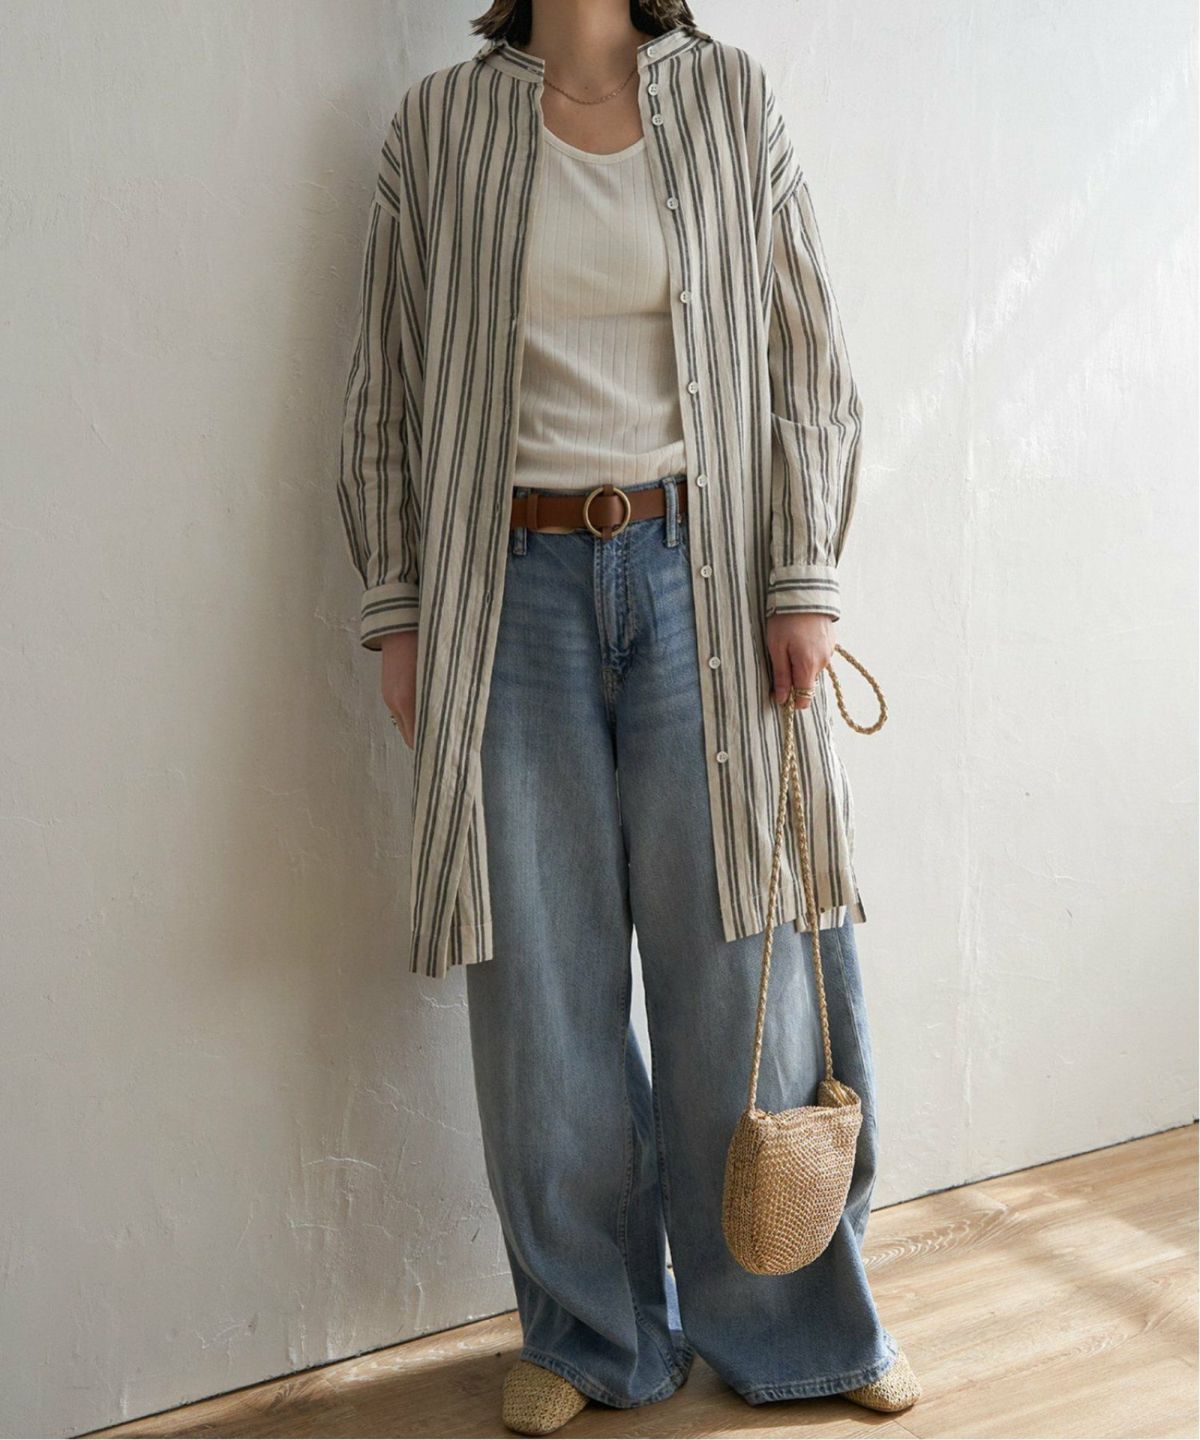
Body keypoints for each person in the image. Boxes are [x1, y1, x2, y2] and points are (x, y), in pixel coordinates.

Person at [337, 1, 921, 1433]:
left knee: (745, 966)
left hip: (703, 579)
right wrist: (402, 612)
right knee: (542, 986)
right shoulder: (438, 128)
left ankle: (796, 1327)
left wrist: (801, 578)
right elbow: (390, 385)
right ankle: (593, 1335)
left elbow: (804, 355)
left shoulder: (732, 102)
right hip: (509, 595)